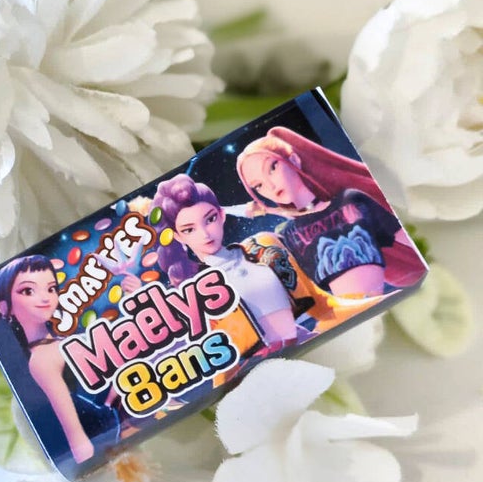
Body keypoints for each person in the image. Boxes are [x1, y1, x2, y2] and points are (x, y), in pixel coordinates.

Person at [235, 126, 425, 298]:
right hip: (350, 313)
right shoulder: (288, 234)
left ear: (293, 159)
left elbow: (414, 245)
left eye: (272, 168)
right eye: (258, 185)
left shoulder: (350, 202)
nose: (270, 186)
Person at [0, 255, 119, 464]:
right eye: (28, 291)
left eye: (51, 289)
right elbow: (75, 434)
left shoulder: (58, 342)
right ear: (4, 308)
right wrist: (89, 466)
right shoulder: (41, 360)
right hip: (101, 432)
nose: (45, 298)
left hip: (114, 418)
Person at [151, 174, 310, 348]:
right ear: (178, 236)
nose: (205, 234)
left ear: (221, 215)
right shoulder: (198, 290)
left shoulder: (261, 246)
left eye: (210, 219)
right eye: (189, 230)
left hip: (305, 338)